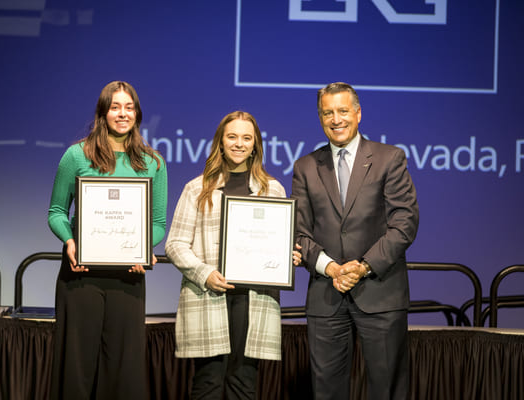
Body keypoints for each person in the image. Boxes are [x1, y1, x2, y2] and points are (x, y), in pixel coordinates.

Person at [291, 82, 419, 400]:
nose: (336, 119)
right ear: (320, 117)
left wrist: (363, 267)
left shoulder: (390, 158)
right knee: (326, 392)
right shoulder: (305, 167)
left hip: (381, 292)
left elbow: (404, 223)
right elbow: (298, 232)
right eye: (328, 112)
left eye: (343, 111)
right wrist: (333, 268)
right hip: (326, 296)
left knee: (387, 390)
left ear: (358, 113)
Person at [165, 111, 302, 399]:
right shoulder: (196, 188)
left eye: (246, 138)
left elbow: (280, 242)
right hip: (208, 296)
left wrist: (287, 257)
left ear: (255, 145)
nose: (239, 143)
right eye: (232, 137)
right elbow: (175, 244)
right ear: (221, 142)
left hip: (253, 300)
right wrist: (205, 274)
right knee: (208, 384)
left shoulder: (272, 189)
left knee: (244, 385)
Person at [47, 81, 167, 400]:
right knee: (76, 368)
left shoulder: (152, 163)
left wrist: (144, 249)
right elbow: (57, 211)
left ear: (137, 114)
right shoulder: (76, 155)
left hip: (128, 276)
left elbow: (157, 224)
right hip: (81, 274)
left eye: (129, 107)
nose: (122, 113)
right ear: (103, 112)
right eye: (115, 107)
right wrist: (70, 241)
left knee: (124, 372)